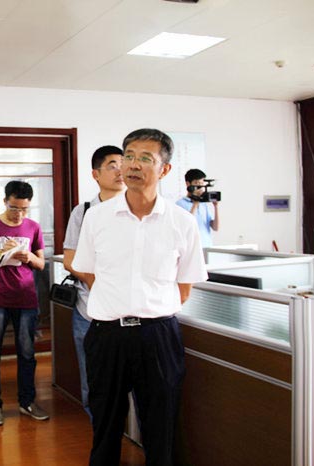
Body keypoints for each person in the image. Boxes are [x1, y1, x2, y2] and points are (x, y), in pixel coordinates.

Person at [72, 128, 207, 466]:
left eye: (145, 158)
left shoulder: (182, 223)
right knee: (105, 428)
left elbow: (184, 287)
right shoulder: (96, 217)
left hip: (157, 336)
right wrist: (116, 301)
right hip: (107, 335)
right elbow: (88, 272)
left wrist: (148, 306)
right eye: (128, 156)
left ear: (165, 169)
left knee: (160, 429)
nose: (132, 165)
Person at [0, 180, 49, 427]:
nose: (19, 214)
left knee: (27, 354)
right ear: (5, 201)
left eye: (24, 209)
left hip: (26, 299)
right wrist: (1, 255)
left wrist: (29, 257)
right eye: (14, 208)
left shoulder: (33, 227)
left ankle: (27, 402)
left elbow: (41, 263)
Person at [62, 145, 125, 420]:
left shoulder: (136, 208)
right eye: (112, 165)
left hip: (129, 314)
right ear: (95, 174)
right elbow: (70, 260)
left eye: (123, 164)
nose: (120, 170)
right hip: (89, 311)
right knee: (93, 378)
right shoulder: (84, 211)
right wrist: (96, 283)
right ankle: (101, 430)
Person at [176, 168, 219, 248]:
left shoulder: (203, 205)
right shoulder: (180, 204)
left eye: (202, 183)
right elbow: (186, 226)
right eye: (197, 183)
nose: (200, 187)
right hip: (192, 248)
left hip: (207, 247)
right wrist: (195, 203)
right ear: (188, 184)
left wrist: (216, 207)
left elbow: (215, 227)